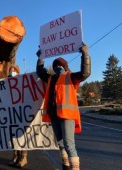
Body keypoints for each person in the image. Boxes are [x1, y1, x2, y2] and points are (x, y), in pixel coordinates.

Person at [36, 42, 91, 170]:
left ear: (65, 67)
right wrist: (40, 58)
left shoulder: (70, 77)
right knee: (61, 144)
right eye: (56, 65)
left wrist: (85, 54)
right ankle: (65, 166)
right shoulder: (50, 78)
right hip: (54, 116)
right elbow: (40, 72)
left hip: (67, 116)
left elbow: (85, 73)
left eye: (61, 65)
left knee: (69, 145)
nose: (58, 67)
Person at [7, 65, 28, 168]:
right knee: (13, 136)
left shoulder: (22, 81)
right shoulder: (5, 83)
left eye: (14, 70)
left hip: (20, 113)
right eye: (11, 70)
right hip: (11, 113)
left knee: (22, 136)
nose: (12, 72)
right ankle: (15, 156)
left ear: (17, 72)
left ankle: (23, 157)